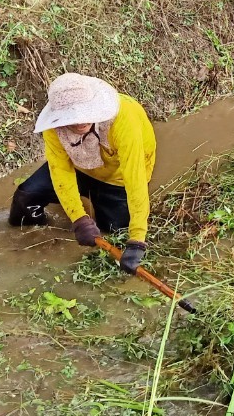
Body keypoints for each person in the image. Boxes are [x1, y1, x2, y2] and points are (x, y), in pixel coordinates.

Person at [10, 73, 158, 272]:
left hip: (117, 178)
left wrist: (137, 240)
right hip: (79, 166)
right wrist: (78, 218)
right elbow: (61, 171)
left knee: (115, 232)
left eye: (85, 114)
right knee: (25, 199)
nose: (80, 123)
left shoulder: (124, 119)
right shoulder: (54, 128)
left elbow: (135, 180)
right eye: (73, 118)